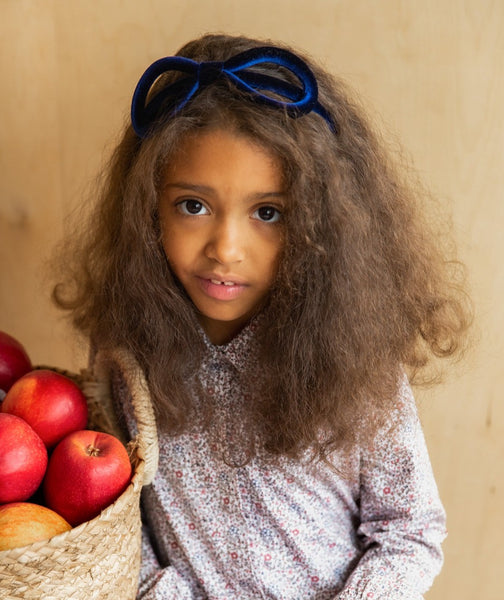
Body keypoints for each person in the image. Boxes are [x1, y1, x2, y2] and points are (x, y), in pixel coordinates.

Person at [53, 33, 472, 599]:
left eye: (268, 213)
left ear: (322, 226)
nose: (226, 248)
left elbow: (409, 532)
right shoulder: (126, 347)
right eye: (193, 206)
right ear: (146, 207)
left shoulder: (354, 360)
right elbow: (124, 520)